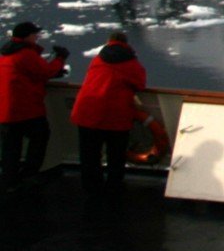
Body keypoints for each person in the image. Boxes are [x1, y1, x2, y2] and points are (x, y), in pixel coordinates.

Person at [69, 30, 147, 192]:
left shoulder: (98, 60)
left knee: (89, 155)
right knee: (116, 156)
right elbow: (140, 84)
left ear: (108, 42)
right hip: (115, 116)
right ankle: (113, 188)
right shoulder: (131, 64)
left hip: (87, 112)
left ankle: (91, 189)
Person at [0, 20, 68, 191]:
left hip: (6, 111)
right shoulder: (25, 54)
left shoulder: (6, 54)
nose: (37, 36)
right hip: (26, 110)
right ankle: (28, 174)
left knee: (10, 148)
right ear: (26, 36)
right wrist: (60, 58)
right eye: (34, 34)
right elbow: (45, 71)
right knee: (40, 137)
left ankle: (9, 181)